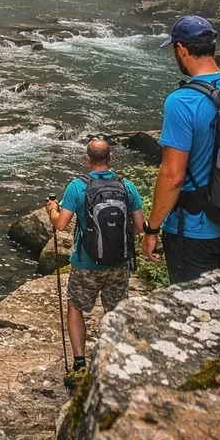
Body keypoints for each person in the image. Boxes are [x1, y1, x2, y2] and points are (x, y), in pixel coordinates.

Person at [140, 14, 220, 283]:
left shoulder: (182, 101)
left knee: (192, 312)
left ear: (181, 49)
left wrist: (151, 229)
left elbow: (172, 176)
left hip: (193, 231)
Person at [46, 137, 144, 383]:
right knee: (116, 310)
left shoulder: (77, 187)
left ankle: (80, 365)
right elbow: (140, 227)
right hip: (119, 263)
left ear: (87, 159)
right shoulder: (127, 186)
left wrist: (51, 209)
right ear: (111, 158)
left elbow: (60, 224)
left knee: (76, 307)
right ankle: (116, 361)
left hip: (86, 263)